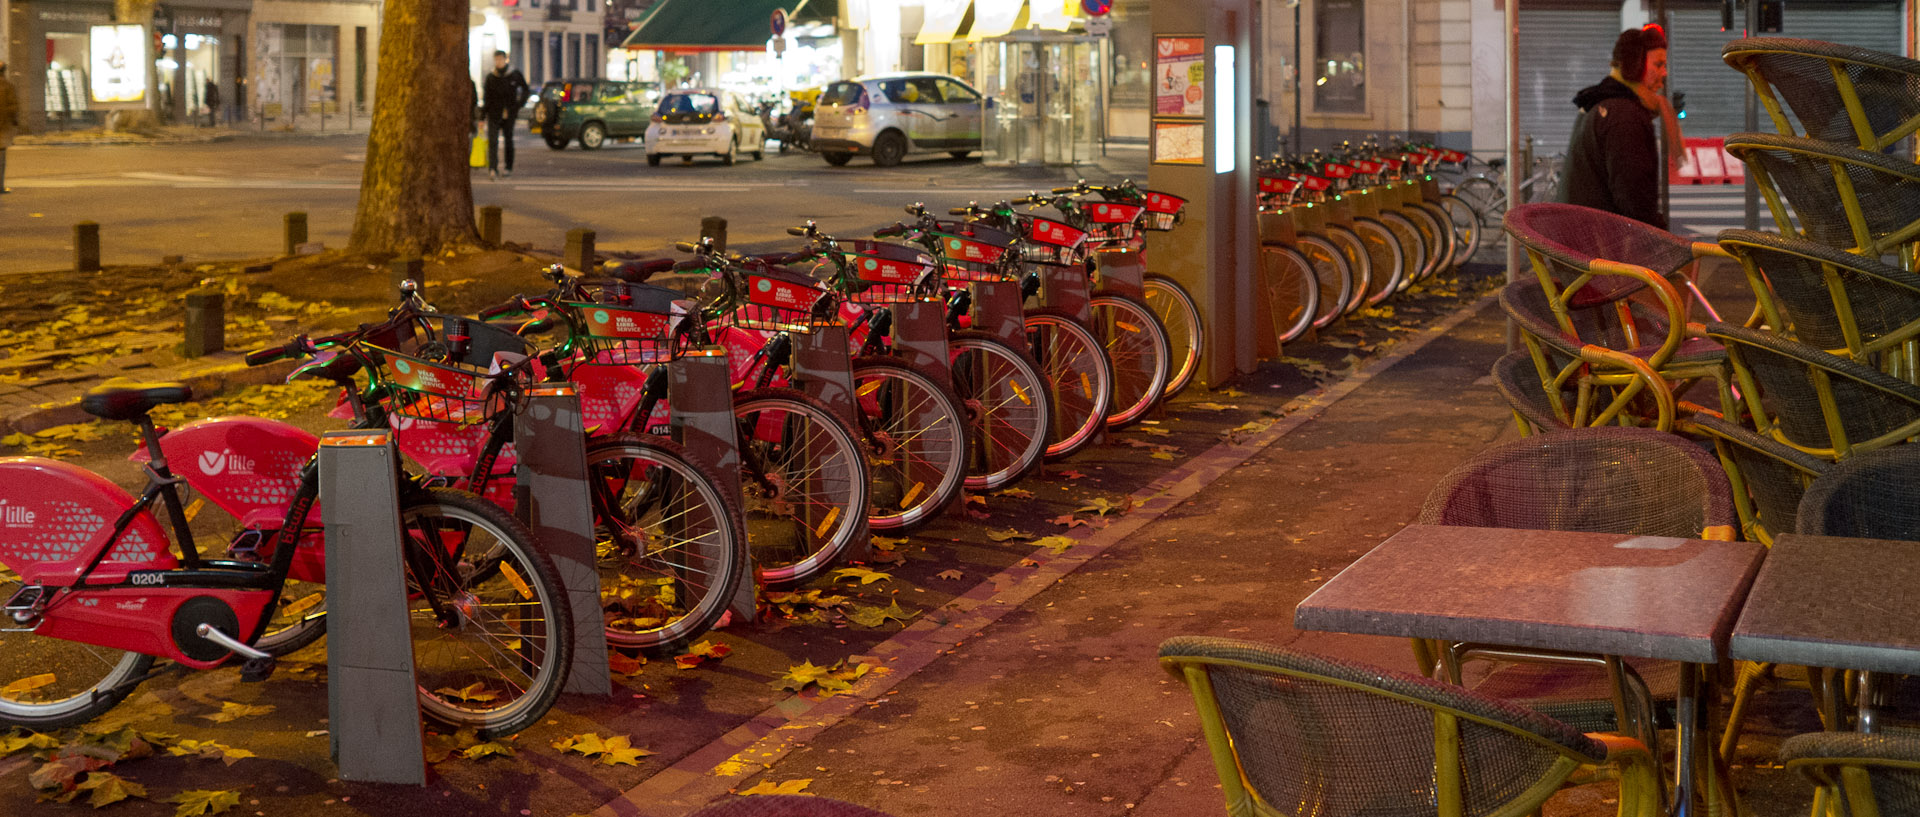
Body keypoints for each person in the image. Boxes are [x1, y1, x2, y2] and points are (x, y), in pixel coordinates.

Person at [1560, 25, 1684, 229]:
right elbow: (1635, 201)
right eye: (1658, 64)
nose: (1664, 73)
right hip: (1600, 251)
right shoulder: (1624, 116)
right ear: (1635, 65)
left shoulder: (1602, 105)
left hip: (1581, 245)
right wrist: (1664, 244)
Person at [481, 51, 530, 180]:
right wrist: (482, 116)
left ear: (505, 59)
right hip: (494, 113)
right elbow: (487, 98)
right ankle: (493, 168)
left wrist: (518, 105)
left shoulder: (514, 74)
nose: (498, 62)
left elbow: (526, 89)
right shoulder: (491, 77)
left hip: (509, 113)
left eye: (500, 59)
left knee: (509, 140)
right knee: (493, 141)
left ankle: (508, 167)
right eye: (496, 59)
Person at [0, 61, 17, 194]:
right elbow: (13, 107)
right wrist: (14, 122)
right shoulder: (8, 86)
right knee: (1, 160)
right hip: (3, 128)